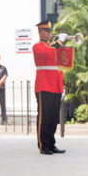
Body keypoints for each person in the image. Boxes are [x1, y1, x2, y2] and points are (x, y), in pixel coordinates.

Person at [33, 21, 67, 155]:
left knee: (53, 118)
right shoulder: (38, 46)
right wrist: (59, 41)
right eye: (47, 31)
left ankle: (51, 144)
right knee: (44, 117)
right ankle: (43, 145)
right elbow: (48, 51)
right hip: (44, 85)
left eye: (50, 31)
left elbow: (60, 66)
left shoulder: (54, 46)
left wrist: (62, 85)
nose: (50, 33)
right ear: (40, 32)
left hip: (56, 86)